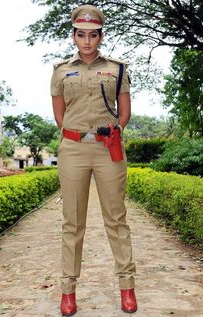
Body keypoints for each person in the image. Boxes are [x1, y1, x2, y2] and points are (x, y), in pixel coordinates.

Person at [51, 4, 137, 316]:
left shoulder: (117, 68)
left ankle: (127, 287)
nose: (87, 40)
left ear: (101, 36)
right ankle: (68, 291)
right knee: (72, 223)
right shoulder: (60, 70)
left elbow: (124, 110)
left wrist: (115, 131)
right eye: (81, 34)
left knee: (116, 219)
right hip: (73, 150)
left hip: (107, 148)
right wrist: (72, 134)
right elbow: (59, 113)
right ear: (74, 36)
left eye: (93, 35)